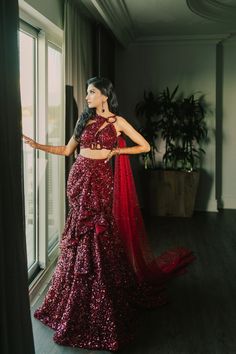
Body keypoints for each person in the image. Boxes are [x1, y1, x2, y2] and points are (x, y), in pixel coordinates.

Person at [23, 77, 195, 352]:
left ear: (105, 95)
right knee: (79, 234)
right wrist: (37, 145)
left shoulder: (118, 122)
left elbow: (145, 146)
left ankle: (103, 298)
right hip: (78, 178)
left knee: (99, 233)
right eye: (87, 92)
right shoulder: (84, 121)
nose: (87, 96)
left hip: (101, 181)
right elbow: (68, 151)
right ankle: (74, 298)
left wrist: (117, 149)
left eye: (91, 92)